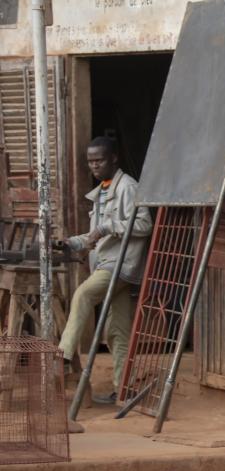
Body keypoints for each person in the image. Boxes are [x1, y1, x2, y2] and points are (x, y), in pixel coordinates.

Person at [57, 136, 152, 405]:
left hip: (119, 266)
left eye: (99, 160)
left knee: (83, 294)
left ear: (113, 158)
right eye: (90, 162)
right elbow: (92, 236)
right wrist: (69, 243)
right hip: (108, 264)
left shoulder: (128, 187)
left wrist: (108, 226)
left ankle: (62, 354)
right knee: (118, 331)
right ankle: (123, 391)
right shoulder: (102, 191)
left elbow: (144, 225)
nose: (94, 166)